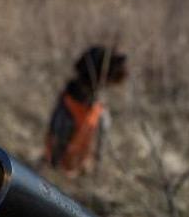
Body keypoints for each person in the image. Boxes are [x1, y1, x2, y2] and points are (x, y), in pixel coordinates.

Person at [43, 46, 128, 174]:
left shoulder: (98, 109)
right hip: (57, 169)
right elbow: (54, 139)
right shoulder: (69, 105)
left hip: (78, 170)